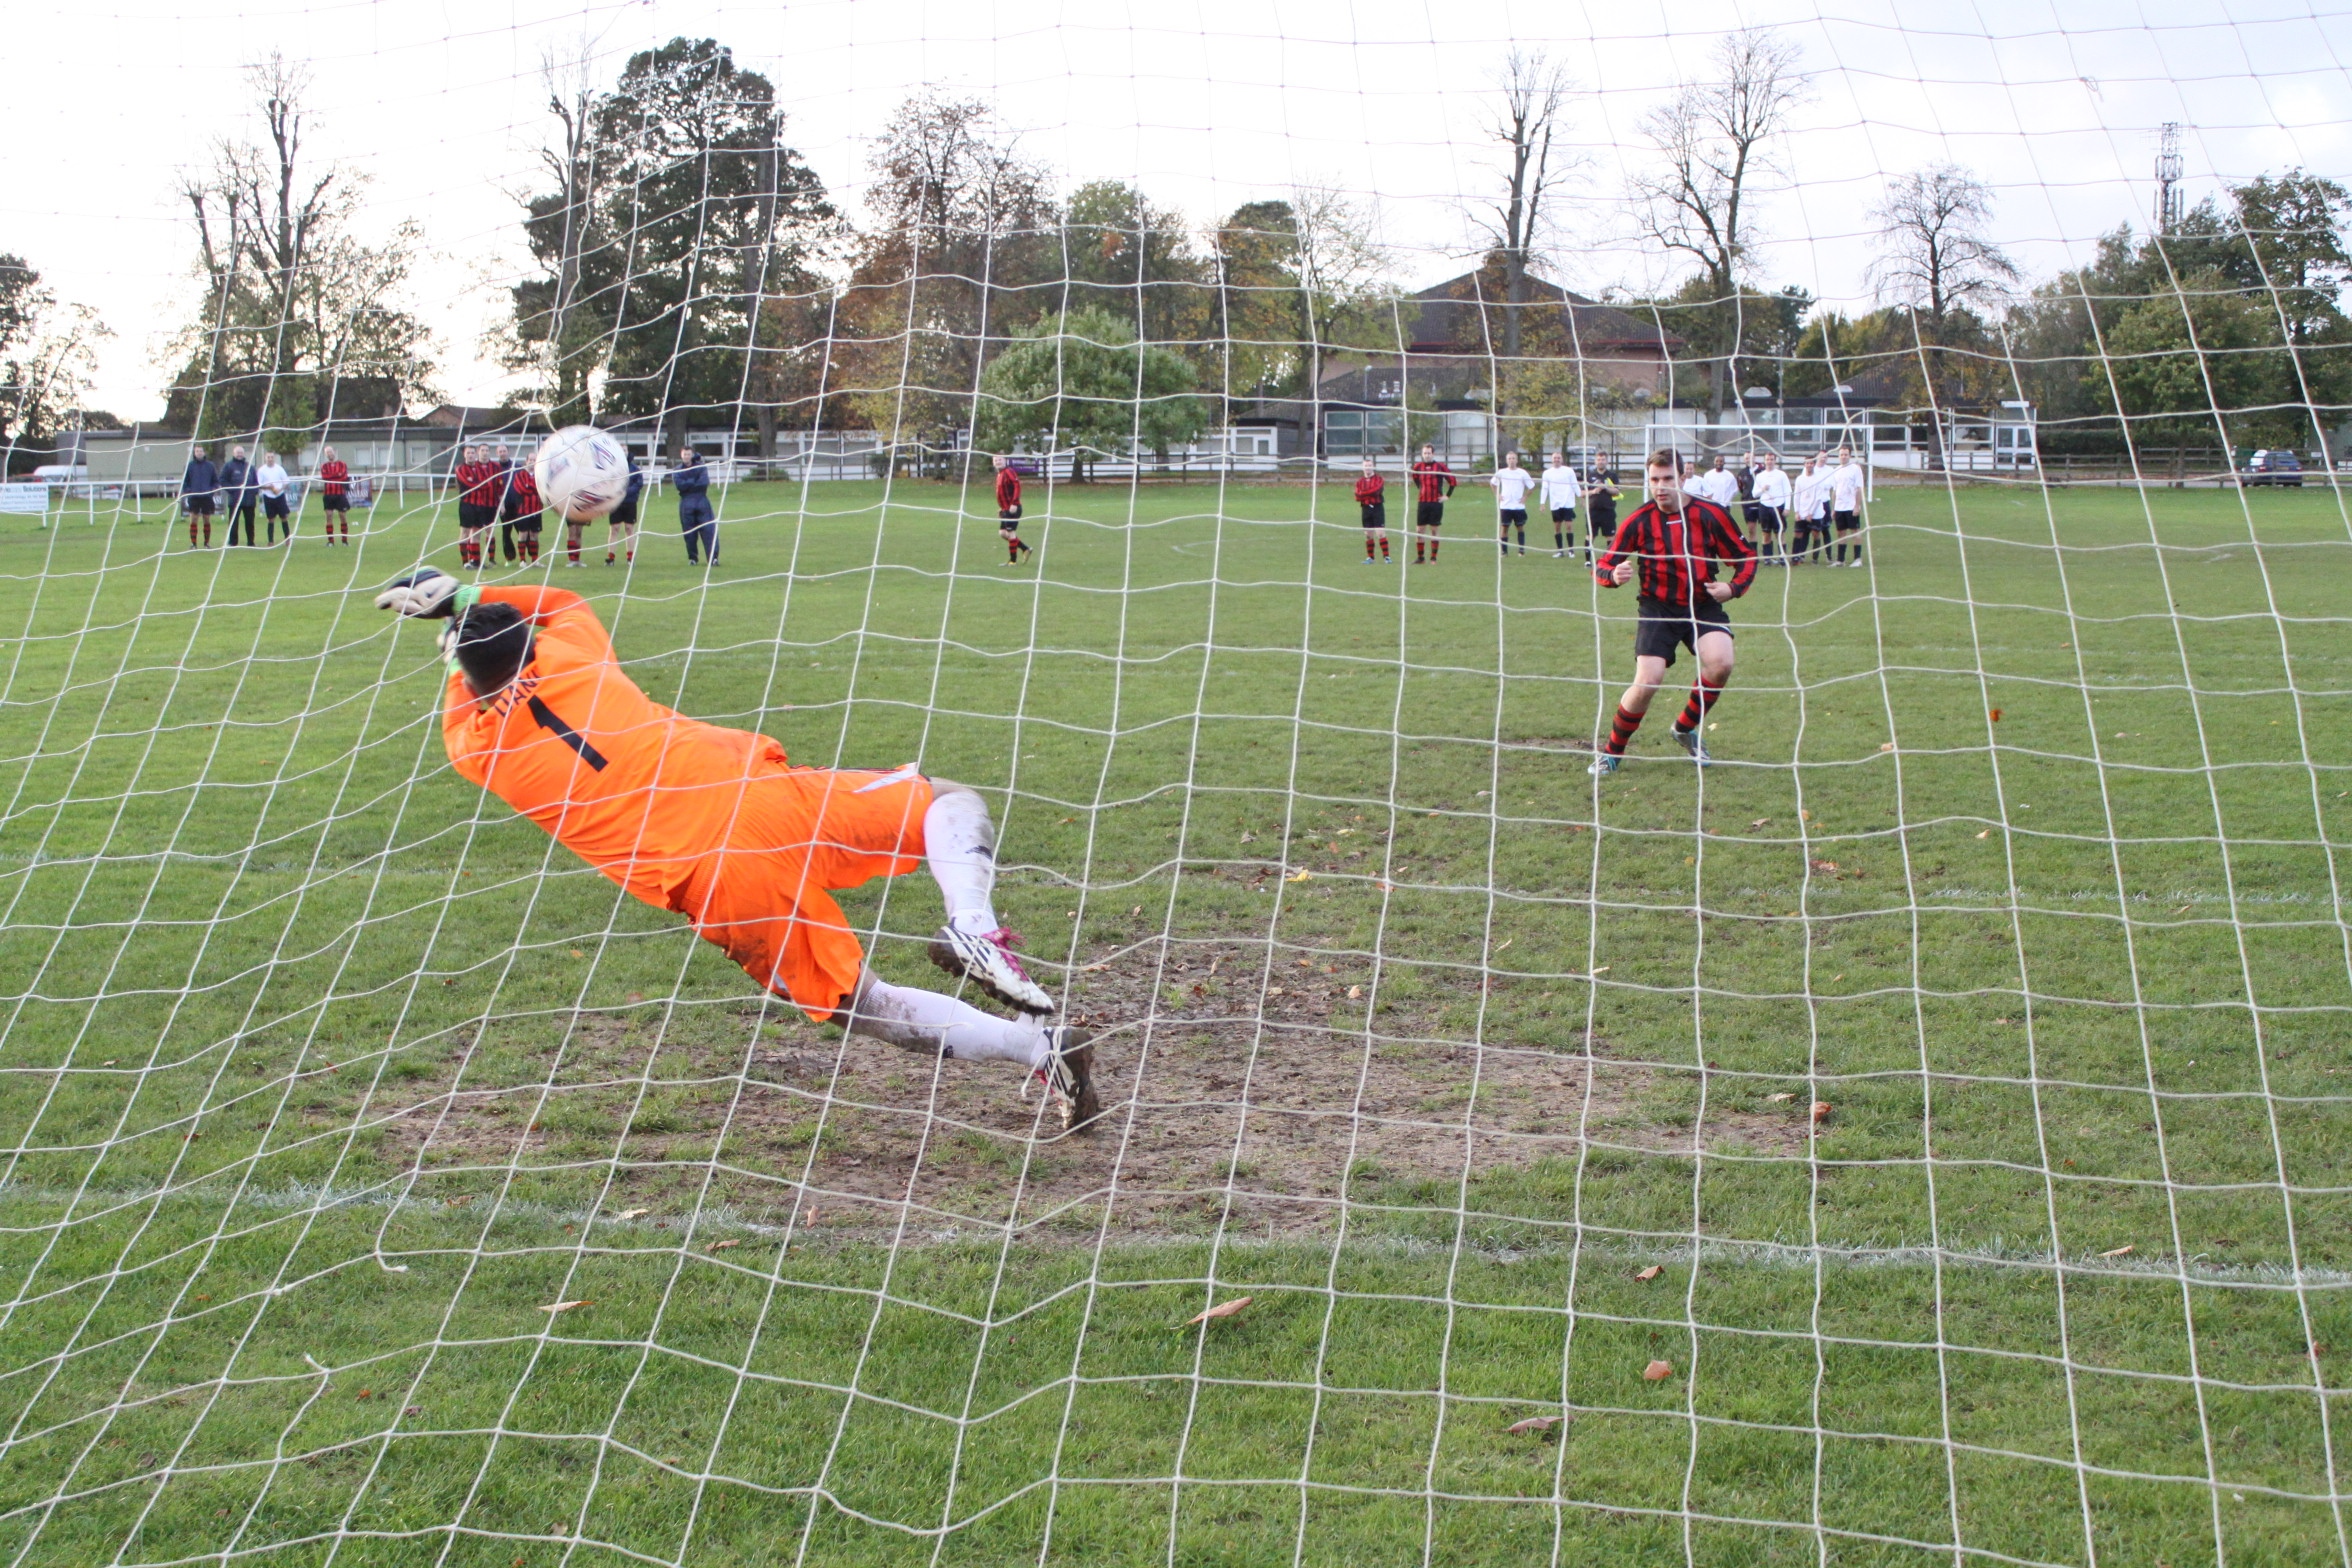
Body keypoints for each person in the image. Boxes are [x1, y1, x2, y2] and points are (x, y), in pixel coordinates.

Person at [370, 573, 1103, 1132]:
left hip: (714, 876)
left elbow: (472, 686)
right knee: (947, 797)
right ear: (532, 643)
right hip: (762, 795)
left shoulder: (473, 745)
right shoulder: (572, 651)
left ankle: (1036, 1054)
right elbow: (558, 601)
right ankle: (971, 919)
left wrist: (450, 641)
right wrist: (464, 590)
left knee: (863, 1003)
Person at [1587, 445, 1756, 775]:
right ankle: (1612, 752)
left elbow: (1745, 557)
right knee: (1648, 681)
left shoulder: (1711, 514)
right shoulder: (1640, 519)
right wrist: (1613, 576)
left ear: (1683, 477)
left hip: (1703, 604)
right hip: (1658, 608)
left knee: (1721, 663)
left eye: (1668, 478)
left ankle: (1684, 728)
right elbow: (1603, 564)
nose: (1661, 486)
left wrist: (1732, 588)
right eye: (1654, 479)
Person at [1408, 443, 1455, 564]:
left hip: (1436, 502)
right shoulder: (1418, 467)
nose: (1427, 455)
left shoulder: (1440, 466)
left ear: (1433, 453)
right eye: (1425, 453)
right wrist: (1421, 489)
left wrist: (1447, 496)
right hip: (1423, 502)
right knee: (1419, 530)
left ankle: (1433, 558)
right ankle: (1420, 558)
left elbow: (1452, 480)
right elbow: (1415, 478)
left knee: (1434, 530)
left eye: (1429, 453)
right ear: (1422, 454)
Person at [453, 445, 498, 570]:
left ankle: (476, 561)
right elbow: (469, 483)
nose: (471, 455)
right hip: (467, 504)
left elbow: (488, 482)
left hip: (480, 504)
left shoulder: (480, 468)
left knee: (476, 533)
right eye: (469, 453)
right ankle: (465, 562)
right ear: (464, 455)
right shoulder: (460, 468)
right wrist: (479, 484)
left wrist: (479, 483)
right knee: (464, 532)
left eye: (473, 453)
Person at [675, 447, 717, 565]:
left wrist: (688, 482)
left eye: (688, 454)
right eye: (684, 454)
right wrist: (693, 480)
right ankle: (693, 558)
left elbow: (703, 482)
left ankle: (713, 558)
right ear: (681, 455)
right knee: (689, 532)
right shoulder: (677, 470)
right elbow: (680, 485)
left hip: (701, 501)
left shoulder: (701, 467)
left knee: (709, 530)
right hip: (686, 502)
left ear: (692, 455)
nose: (686, 456)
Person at [1491, 449, 1536, 556]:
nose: (1511, 460)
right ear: (1507, 461)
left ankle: (1521, 550)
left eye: (1513, 458)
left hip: (1518, 506)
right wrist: (1497, 495)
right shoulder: (1502, 472)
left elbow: (1532, 486)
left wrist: (1525, 497)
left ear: (1517, 460)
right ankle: (1504, 551)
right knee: (1504, 527)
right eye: (1509, 459)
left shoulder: (1522, 473)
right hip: (1505, 506)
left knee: (1520, 527)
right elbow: (1493, 483)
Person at [1750, 450, 1791, 565]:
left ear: (1775, 461)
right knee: (1766, 533)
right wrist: (1762, 489)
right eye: (1767, 459)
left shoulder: (1781, 475)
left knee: (1780, 533)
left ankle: (1782, 557)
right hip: (1765, 507)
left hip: (1779, 507)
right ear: (1764, 461)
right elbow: (1754, 494)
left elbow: (1788, 491)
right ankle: (1768, 558)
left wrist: (1787, 507)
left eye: (1772, 459)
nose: (1769, 462)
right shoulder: (1760, 476)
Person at [1829, 444, 1867, 567]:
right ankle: (1840, 560)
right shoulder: (1836, 470)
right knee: (1840, 532)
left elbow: (1859, 488)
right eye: (1841, 454)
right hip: (1840, 507)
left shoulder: (1855, 469)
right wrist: (1834, 508)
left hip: (1851, 506)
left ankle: (1857, 559)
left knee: (1855, 531)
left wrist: (1857, 505)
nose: (1843, 457)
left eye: (1845, 454)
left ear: (1849, 455)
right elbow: (1835, 491)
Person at [1539, 450, 1581, 559]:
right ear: (1552, 460)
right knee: (1557, 527)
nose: (1556, 460)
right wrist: (1542, 503)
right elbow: (1544, 488)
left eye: (1558, 458)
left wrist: (1581, 497)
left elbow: (1575, 484)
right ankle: (1560, 551)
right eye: (1555, 458)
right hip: (1555, 503)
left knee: (1569, 526)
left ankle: (1571, 550)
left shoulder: (1568, 471)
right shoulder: (1547, 473)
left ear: (1561, 459)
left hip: (1568, 502)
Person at [993, 455, 1032, 564]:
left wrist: (1014, 503)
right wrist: (1002, 508)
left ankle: (1013, 561)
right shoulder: (999, 474)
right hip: (1005, 509)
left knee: (1011, 533)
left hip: (1013, 509)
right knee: (1002, 533)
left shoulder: (1008, 471)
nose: (998, 462)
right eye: (996, 460)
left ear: (1005, 461)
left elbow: (1017, 485)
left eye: (1000, 460)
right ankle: (1025, 549)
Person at [606, 448, 642, 565]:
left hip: (630, 502)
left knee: (629, 529)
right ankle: (611, 557)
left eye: (625, 450)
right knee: (614, 529)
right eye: (621, 450)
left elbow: (639, 484)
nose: (623, 452)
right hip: (616, 502)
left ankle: (630, 557)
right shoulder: (612, 467)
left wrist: (625, 491)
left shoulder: (635, 469)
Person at [1583, 453, 1620, 566]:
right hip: (1593, 510)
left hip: (1608, 510)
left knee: (1610, 536)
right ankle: (1588, 560)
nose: (1601, 461)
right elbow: (1581, 492)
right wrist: (1593, 492)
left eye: (1603, 459)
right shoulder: (1590, 476)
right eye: (1599, 459)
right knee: (1590, 535)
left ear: (1606, 461)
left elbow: (1617, 491)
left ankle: (1608, 559)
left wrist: (1606, 487)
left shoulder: (1612, 476)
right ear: (1595, 461)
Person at [505, 460, 544, 563]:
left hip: (536, 510)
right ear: (526, 462)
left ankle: (535, 560)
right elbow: (522, 489)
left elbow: (542, 488)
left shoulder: (540, 474)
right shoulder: (519, 475)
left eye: (534, 460)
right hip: (523, 510)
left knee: (534, 535)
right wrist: (534, 488)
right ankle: (522, 560)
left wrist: (530, 486)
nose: (532, 462)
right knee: (523, 534)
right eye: (530, 460)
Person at [1353, 456, 1389, 563]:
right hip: (1365, 508)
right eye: (1365, 466)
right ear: (1362, 468)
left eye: (1369, 465)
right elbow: (1356, 497)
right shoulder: (1359, 482)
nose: (1368, 468)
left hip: (1377, 508)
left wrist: (1363, 494)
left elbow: (1376, 491)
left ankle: (1387, 557)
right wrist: (1364, 495)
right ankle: (1370, 558)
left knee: (1380, 533)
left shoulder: (1379, 479)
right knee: (1368, 535)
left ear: (1373, 467)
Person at [219, 446, 257, 546]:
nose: (239, 454)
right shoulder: (228, 466)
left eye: (241, 452)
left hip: (249, 500)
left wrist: (253, 492)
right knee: (233, 522)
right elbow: (222, 480)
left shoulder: (250, 467)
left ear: (244, 454)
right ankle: (233, 542)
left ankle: (251, 542)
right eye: (237, 452)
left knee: (250, 522)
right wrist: (233, 490)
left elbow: (256, 482)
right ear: (233, 453)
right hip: (235, 500)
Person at [181, 446, 218, 548]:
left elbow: (215, 481)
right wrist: (189, 491)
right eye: (197, 451)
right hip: (194, 497)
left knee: (206, 519)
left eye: (201, 451)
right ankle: (193, 543)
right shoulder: (190, 466)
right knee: (193, 519)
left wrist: (212, 490)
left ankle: (206, 543)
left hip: (206, 497)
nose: (199, 453)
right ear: (194, 453)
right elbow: (185, 482)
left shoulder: (210, 466)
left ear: (204, 452)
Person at [317, 446, 352, 545]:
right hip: (328, 494)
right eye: (327, 452)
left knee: (342, 516)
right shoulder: (324, 466)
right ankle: (330, 541)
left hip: (340, 494)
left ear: (334, 452)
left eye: (330, 452)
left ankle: (344, 541)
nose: (329, 454)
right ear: (325, 455)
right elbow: (325, 477)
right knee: (329, 516)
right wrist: (337, 475)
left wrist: (334, 477)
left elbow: (344, 477)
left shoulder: (342, 464)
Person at [256, 451, 293, 544]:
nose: (270, 459)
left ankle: (287, 539)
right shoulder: (261, 470)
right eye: (268, 457)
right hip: (268, 496)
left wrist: (279, 490)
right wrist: (269, 487)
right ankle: (270, 541)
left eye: (272, 457)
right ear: (265, 458)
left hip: (279, 496)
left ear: (274, 458)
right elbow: (259, 485)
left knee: (284, 517)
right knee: (270, 519)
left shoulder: (279, 469)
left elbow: (286, 482)